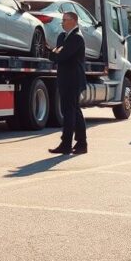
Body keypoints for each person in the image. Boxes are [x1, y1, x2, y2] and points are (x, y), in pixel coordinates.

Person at [48, 11, 87, 155]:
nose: (62, 22)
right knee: (73, 111)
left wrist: (55, 53)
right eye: (62, 20)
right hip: (65, 79)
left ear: (74, 21)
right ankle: (81, 143)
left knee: (70, 112)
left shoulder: (77, 38)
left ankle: (67, 144)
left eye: (65, 20)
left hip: (73, 80)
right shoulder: (62, 36)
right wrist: (55, 53)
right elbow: (55, 55)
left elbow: (61, 56)